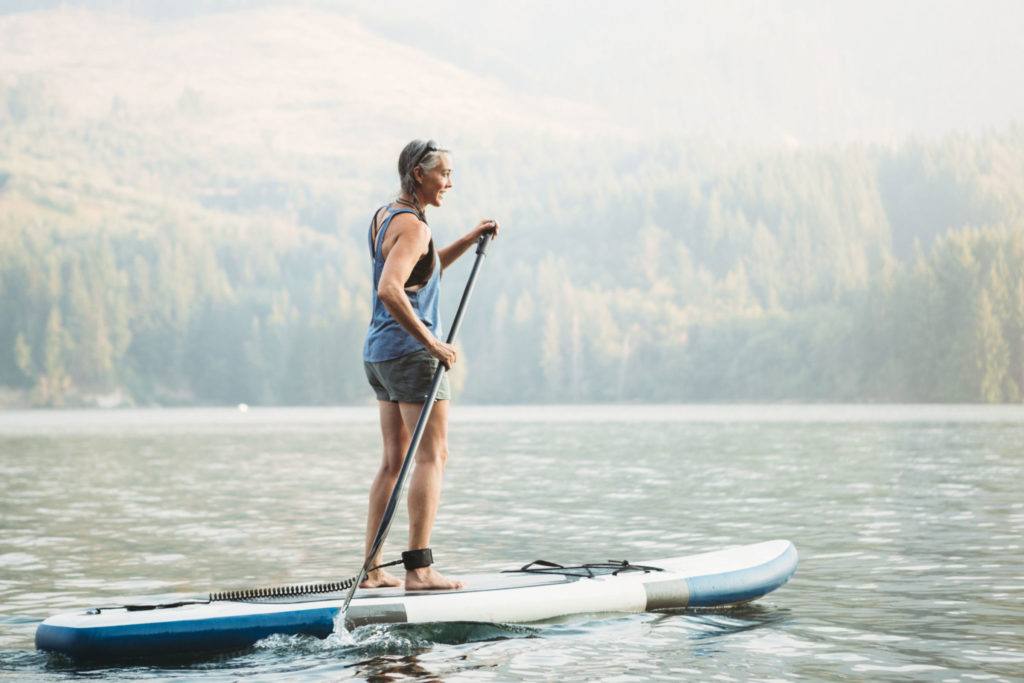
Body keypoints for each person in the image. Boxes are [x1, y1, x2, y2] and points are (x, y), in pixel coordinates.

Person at [360, 139, 499, 591]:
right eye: (444, 174)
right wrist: (433, 343)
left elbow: (424, 270)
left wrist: (467, 239)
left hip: (380, 354)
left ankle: (374, 568)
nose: (450, 182)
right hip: (410, 355)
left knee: (392, 462)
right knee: (433, 455)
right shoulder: (415, 227)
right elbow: (390, 288)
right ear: (419, 175)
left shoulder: (386, 216)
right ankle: (418, 570)